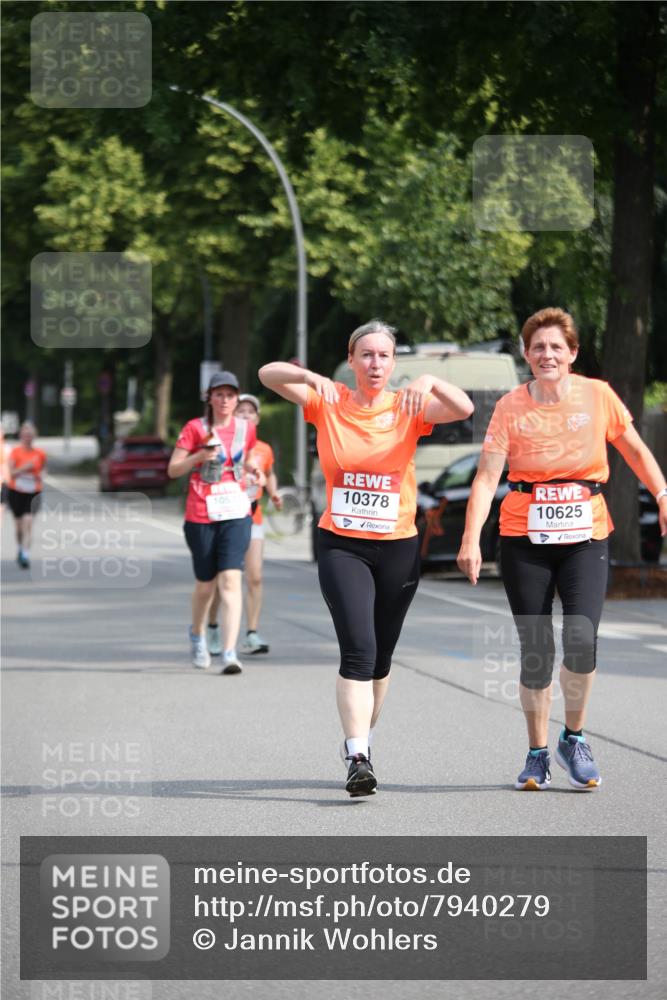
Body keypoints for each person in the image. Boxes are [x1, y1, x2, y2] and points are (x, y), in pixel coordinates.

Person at [259, 319, 474, 796]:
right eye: (367, 355)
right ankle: (357, 755)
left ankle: (363, 740)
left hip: (398, 544)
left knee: (380, 659)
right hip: (343, 544)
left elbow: (465, 408)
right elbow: (267, 375)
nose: (375, 363)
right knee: (357, 650)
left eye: (384, 356)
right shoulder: (328, 401)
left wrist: (430, 379)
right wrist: (309, 377)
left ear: (393, 364)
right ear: (352, 360)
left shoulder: (409, 406)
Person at [456, 307, 667, 792]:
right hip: (523, 536)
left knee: (581, 637)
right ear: (527, 355)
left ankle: (573, 737)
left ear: (572, 353)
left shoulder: (598, 396)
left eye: (556, 347)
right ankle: (536, 754)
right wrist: (470, 538)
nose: (546, 354)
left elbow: (634, 449)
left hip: (586, 533)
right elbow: (488, 476)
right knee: (535, 650)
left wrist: (661, 493)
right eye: (537, 347)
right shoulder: (510, 406)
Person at [168, 372, 265, 675]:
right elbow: (173, 469)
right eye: (219, 395)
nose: (225, 401)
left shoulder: (245, 429)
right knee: (206, 585)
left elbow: (247, 459)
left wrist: (254, 470)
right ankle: (197, 634)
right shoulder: (195, 428)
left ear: (238, 399)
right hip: (201, 513)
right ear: (209, 397)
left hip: (236, 511)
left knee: (231, 580)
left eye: (231, 395)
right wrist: (198, 456)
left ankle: (230, 651)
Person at [206, 393, 283, 657]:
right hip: (226, 516)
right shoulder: (221, 445)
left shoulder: (263, 449)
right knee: (224, 577)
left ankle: (251, 633)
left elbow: (270, 474)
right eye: (241, 411)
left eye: (251, 411)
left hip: (253, 516)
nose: (246, 415)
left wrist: (274, 493)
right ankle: (214, 626)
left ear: (257, 418)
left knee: (255, 576)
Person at [7, 422, 47, 569]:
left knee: (28, 522)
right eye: (25, 435)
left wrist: (41, 475)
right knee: (18, 526)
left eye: (30, 435)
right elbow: (10, 473)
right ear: (21, 436)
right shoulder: (15, 452)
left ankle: (25, 554)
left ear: (34, 436)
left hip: (33, 492)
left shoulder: (40, 453)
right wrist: (25, 468)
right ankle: (19, 548)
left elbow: (43, 470)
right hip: (16, 492)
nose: (28, 438)